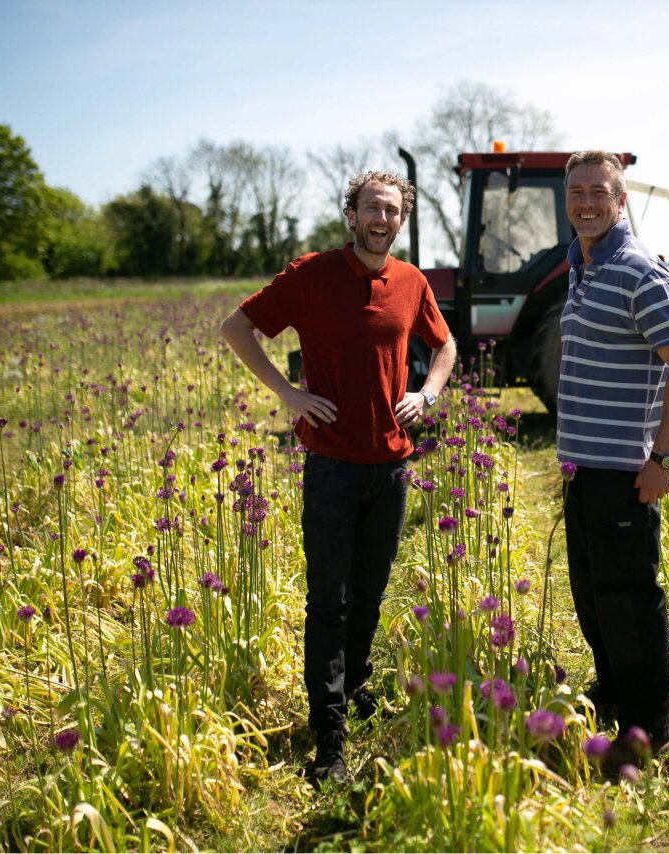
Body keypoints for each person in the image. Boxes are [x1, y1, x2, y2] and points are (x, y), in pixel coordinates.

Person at [221, 171, 456, 783]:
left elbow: (446, 345)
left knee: (371, 595)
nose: (383, 219)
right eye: (372, 209)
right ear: (350, 215)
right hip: (330, 466)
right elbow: (236, 329)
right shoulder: (310, 275)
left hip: (392, 465)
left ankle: (352, 690)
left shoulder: (410, 281)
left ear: (401, 221)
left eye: (393, 211)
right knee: (330, 602)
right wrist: (287, 393)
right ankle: (328, 737)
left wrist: (427, 395)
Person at [556, 150, 669, 772]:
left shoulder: (639, 270)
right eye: (576, 194)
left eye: (599, 192)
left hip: (624, 470)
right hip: (584, 468)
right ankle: (616, 694)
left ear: (620, 202)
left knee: (629, 598)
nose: (586, 202)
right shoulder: (584, 265)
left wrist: (663, 458)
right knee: (593, 595)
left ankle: (648, 730)